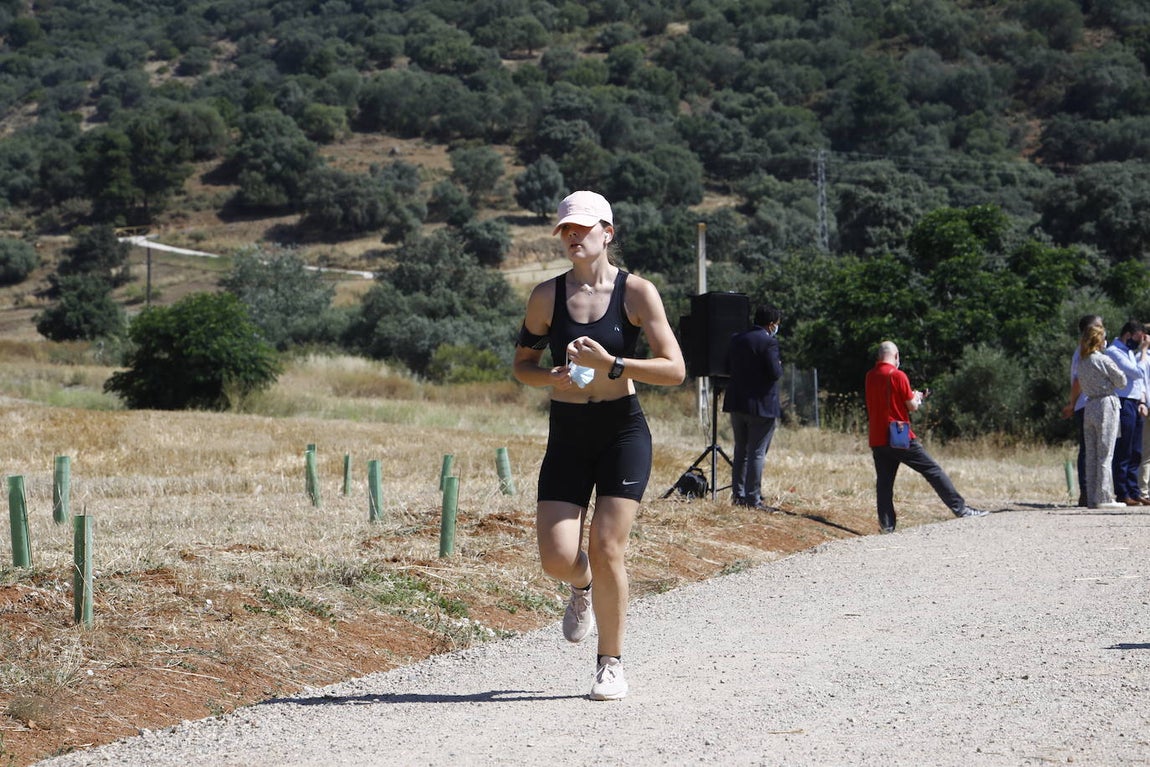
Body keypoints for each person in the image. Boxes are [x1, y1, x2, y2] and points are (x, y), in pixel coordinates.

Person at [512, 190, 685, 701]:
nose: (572, 237)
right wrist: (551, 379)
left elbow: (674, 369)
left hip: (621, 431)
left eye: (582, 229)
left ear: (607, 232)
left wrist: (616, 364)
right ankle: (580, 588)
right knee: (556, 557)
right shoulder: (546, 296)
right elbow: (522, 366)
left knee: (607, 546)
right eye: (565, 229)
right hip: (567, 433)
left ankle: (610, 664)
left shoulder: (637, 293)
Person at [864, 341, 987, 533]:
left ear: (879, 356)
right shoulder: (898, 375)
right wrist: (917, 398)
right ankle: (961, 509)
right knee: (932, 470)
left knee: (884, 483)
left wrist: (910, 397)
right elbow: (911, 406)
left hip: (877, 436)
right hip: (899, 435)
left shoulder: (870, 376)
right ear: (896, 356)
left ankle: (887, 525)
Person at [722, 304, 783, 510]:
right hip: (761, 406)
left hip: (737, 403)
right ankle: (753, 499)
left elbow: (727, 366)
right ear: (772, 324)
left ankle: (738, 495)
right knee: (757, 453)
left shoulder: (737, 339)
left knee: (740, 451)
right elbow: (774, 372)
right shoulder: (769, 343)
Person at [1077, 324, 1128, 509]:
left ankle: (1092, 497)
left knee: (1091, 454)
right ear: (1099, 340)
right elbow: (1122, 381)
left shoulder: (1081, 362)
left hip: (1089, 404)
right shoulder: (1103, 360)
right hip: (1106, 404)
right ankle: (1105, 497)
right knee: (1106, 453)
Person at [1062, 314, 1105, 506]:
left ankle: (1091, 492)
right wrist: (1071, 405)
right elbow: (1078, 381)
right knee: (1089, 450)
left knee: (1091, 449)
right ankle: (1087, 492)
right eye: (1100, 326)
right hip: (1085, 404)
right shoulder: (1083, 351)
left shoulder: (1089, 350)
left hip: (1087, 404)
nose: (1103, 329)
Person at [1104, 320, 1148, 505]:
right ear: (1128, 335)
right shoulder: (1114, 352)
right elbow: (1137, 372)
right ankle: (1122, 492)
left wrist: (1141, 400)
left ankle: (1133, 490)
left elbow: (1138, 382)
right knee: (1124, 449)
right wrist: (1144, 352)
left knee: (1136, 450)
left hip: (1134, 402)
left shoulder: (1129, 352)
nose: (1140, 343)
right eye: (1138, 339)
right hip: (1123, 402)